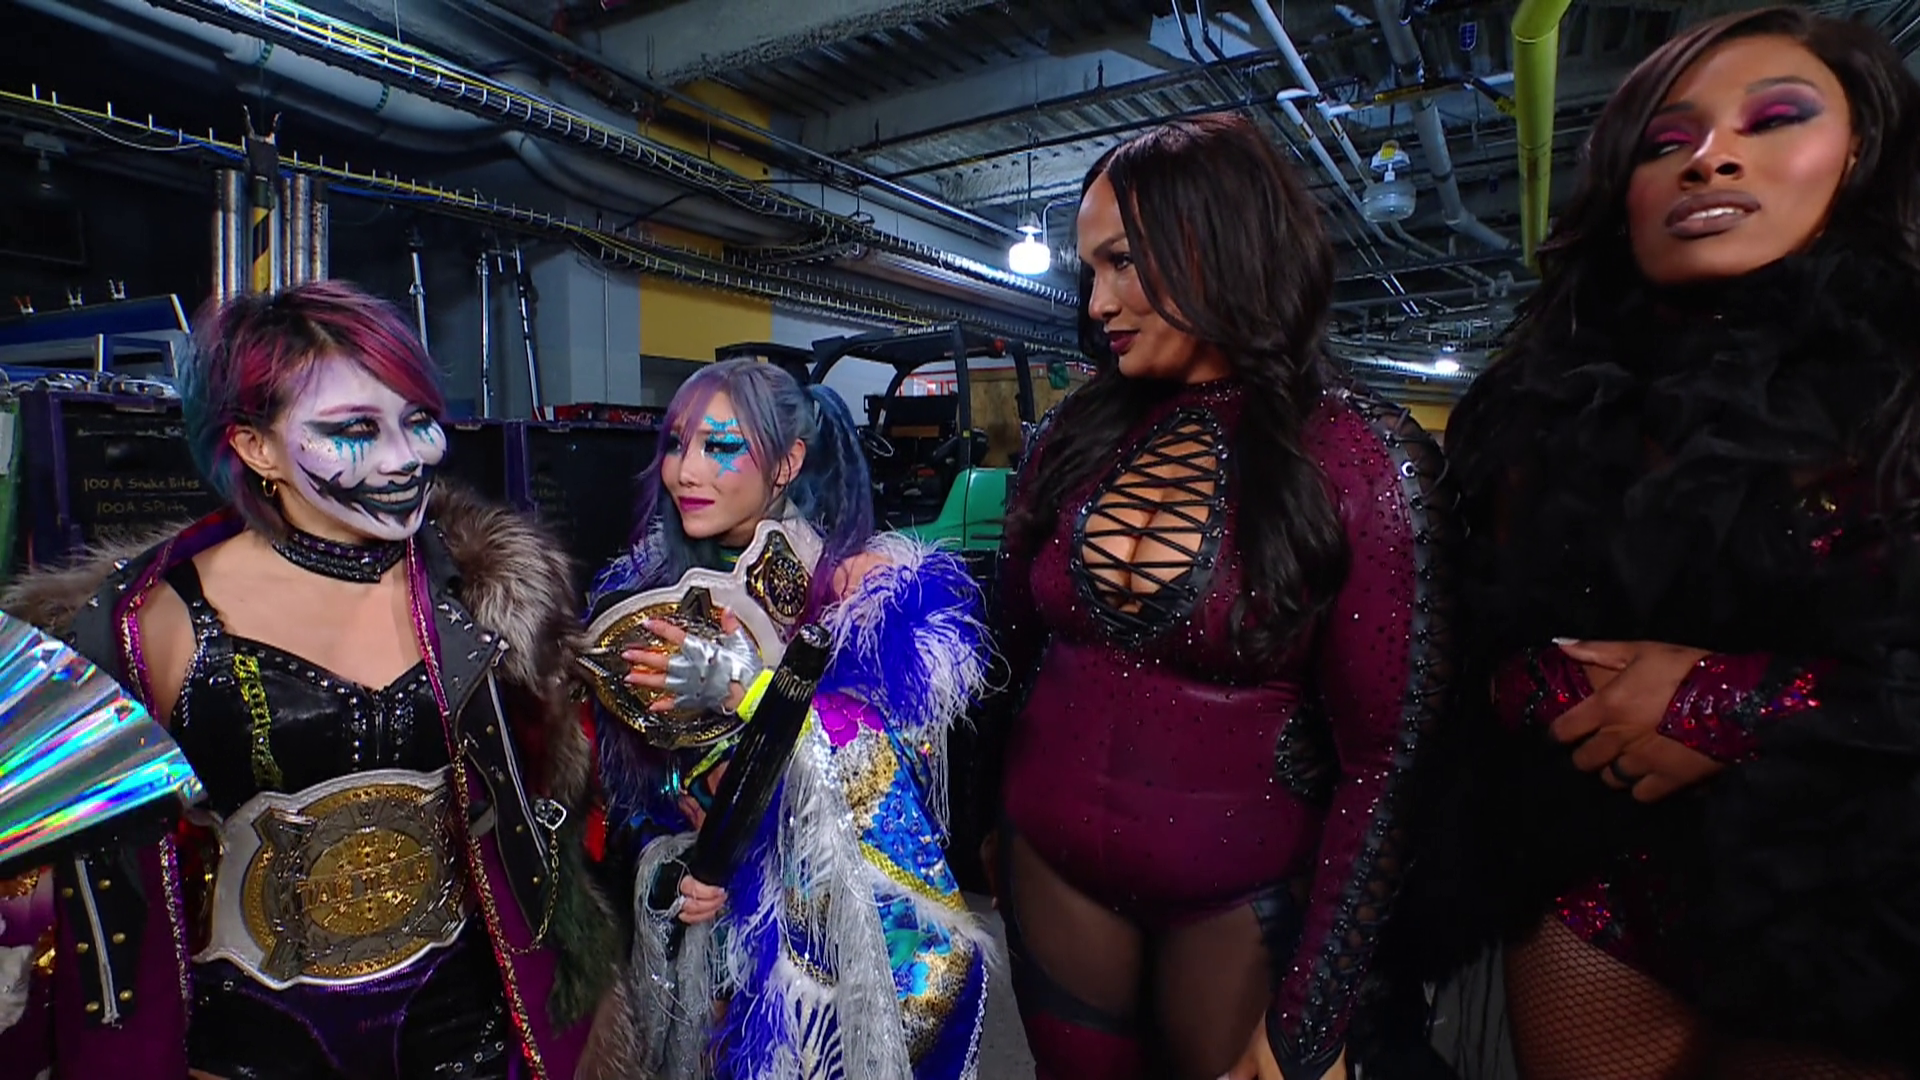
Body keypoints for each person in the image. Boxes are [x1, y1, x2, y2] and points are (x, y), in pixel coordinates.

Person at [1406, 8, 1920, 1077]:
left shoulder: (1900, 393)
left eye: (1774, 119)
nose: (1711, 158)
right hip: (1592, 885)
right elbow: (1469, 637)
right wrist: (1544, 688)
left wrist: (1736, 703)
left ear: (1861, 151)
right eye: (1666, 141)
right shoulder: (1546, 402)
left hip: (1859, 905)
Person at [0, 280, 625, 1079]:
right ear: (255, 447)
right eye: (354, 429)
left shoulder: (478, 592)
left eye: (418, 420)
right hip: (253, 1043)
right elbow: (103, 904)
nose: (405, 458)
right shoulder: (151, 623)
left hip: (466, 1028)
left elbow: (544, 807)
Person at [980, 112, 1454, 1080]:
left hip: (1238, 907)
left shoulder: (1359, 456)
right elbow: (997, 654)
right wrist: (966, 822)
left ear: (1221, 243)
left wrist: (1314, 1017)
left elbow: (1388, 760)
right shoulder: (1071, 435)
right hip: (1049, 877)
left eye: (1123, 262)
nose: (1098, 303)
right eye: (1090, 271)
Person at [580, 358, 993, 1080]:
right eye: (676, 444)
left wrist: (745, 689)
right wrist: (675, 859)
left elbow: (882, 782)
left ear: (787, 463)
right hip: (699, 947)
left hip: (815, 952)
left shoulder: (863, 598)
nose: (685, 472)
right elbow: (627, 793)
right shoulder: (639, 597)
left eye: (721, 446)